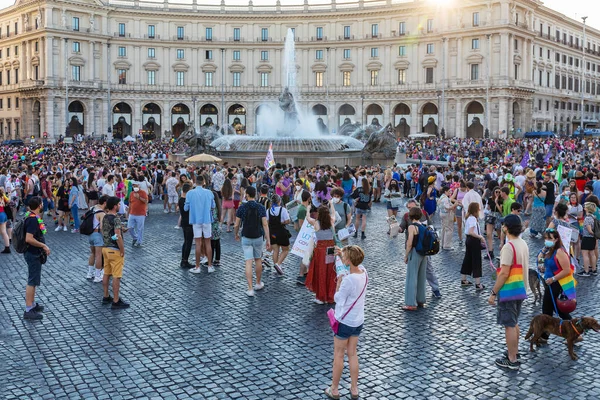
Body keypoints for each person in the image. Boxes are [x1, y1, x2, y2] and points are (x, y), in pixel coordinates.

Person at [325, 245, 368, 400]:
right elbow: (355, 262)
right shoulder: (364, 272)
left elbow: (338, 299)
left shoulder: (348, 280)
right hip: (358, 321)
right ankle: (354, 389)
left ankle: (334, 389)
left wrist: (338, 285)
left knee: (338, 355)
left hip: (344, 322)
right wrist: (342, 251)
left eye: (345, 257)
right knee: (352, 354)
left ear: (349, 260)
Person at [488, 214, 529, 370]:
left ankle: (512, 359)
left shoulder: (508, 247)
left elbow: (504, 273)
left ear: (506, 227)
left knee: (509, 325)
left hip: (510, 289)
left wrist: (493, 292)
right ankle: (514, 352)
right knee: (515, 321)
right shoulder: (523, 243)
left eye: (503, 225)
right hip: (520, 287)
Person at [399, 199, 442, 298]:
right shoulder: (406, 216)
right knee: (414, 272)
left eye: (412, 208)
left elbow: (431, 226)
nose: (410, 210)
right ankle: (417, 295)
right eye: (409, 208)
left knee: (428, 269)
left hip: (424, 247)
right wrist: (394, 229)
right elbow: (401, 228)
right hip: (413, 248)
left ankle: (435, 289)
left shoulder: (424, 214)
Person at [234, 186, 271, 296]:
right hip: (258, 236)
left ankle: (250, 288)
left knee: (248, 261)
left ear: (247, 195)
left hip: (246, 236)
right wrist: (268, 239)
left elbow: (236, 224)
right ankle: (258, 283)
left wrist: (235, 234)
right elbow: (265, 224)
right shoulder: (260, 207)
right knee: (258, 259)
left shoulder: (242, 207)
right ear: (256, 194)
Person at [22, 197, 51, 320]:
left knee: (34, 280)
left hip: (33, 253)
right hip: (32, 253)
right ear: (39, 205)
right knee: (32, 280)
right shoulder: (33, 220)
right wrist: (43, 245)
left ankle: (32, 304)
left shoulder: (31, 217)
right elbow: (29, 238)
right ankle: (28, 309)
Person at [305, 202, 338, 304]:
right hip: (331, 249)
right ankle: (329, 295)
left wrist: (308, 209)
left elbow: (307, 218)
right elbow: (333, 214)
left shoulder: (316, 223)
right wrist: (331, 204)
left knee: (321, 272)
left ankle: (321, 297)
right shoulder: (331, 221)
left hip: (320, 251)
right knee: (331, 272)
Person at [101, 196, 129, 309]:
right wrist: (122, 249)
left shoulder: (105, 217)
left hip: (105, 248)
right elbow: (117, 236)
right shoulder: (116, 218)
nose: (119, 206)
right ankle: (116, 301)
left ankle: (106, 296)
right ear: (114, 206)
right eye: (118, 204)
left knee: (106, 273)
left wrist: (121, 229)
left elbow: (106, 230)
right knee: (116, 276)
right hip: (114, 250)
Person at [185, 175, 216, 274]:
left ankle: (197, 267)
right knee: (208, 242)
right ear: (203, 182)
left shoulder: (190, 193)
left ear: (195, 182)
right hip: (207, 220)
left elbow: (186, 208)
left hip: (195, 220)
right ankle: (210, 265)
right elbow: (213, 206)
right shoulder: (209, 193)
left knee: (198, 243)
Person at [403, 207, 428, 311]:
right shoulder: (423, 225)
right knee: (421, 277)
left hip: (415, 253)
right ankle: (420, 300)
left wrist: (406, 255)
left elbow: (409, 243)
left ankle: (410, 303)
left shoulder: (412, 227)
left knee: (411, 277)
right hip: (424, 254)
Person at [461, 202, 485, 290]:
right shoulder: (473, 219)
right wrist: (480, 237)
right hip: (473, 240)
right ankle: (478, 284)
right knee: (476, 261)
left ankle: (463, 280)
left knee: (467, 259)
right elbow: (471, 231)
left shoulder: (468, 218)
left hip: (469, 240)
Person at [267, 194, 290, 276]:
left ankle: (276, 267)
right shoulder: (283, 210)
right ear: (279, 201)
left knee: (275, 250)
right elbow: (287, 221)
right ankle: (278, 264)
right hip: (281, 232)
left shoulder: (269, 210)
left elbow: (267, 222)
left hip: (272, 233)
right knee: (286, 249)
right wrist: (282, 222)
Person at [86, 195, 107, 283]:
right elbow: (102, 227)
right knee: (99, 255)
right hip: (97, 234)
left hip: (90, 234)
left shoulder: (92, 208)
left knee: (93, 253)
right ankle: (98, 276)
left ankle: (90, 273)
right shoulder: (101, 213)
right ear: (105, 203)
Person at [295, 190, 311, 285]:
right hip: (305, 235)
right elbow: (301, 224)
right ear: (309, 198)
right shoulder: (302, 209)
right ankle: (301, 274)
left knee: (307, 255)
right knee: (305, 256)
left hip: (307, 234)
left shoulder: (305, 208)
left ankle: (305, 272)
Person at [128, 180, 148, 248]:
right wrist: (128, 212)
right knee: (130, 228)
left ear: (139, 186)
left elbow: (146, 201)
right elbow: (130, 203)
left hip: (141, 214)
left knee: (140, 229)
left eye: (136, 185)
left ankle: (139, 242)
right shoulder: (131, 193)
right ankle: (135, 237)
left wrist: (139, 197)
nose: (135, 187)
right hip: (132, 213)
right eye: (133, 185)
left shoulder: (143, 193)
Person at [178, 183, 194, 268]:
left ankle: (183, 259)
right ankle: (185, 261)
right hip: (188, 223)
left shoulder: (181, 199)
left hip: (184, 222)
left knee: (186, 241)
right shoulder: (186, 201)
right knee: (188, 242)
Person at [580, 202, 597, 276]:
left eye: (585, 207)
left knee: (585, 255)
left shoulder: (587, 218)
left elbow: (589, 230)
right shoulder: (593, 217)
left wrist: (593, 234)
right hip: (592, 239)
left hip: (587, 238)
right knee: (592, 254)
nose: (584, 208)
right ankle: (594, 270)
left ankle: (586, 271)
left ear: (587, 208)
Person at [438, 186, 456, 251]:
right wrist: (455, 205)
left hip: (442, 214)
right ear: (445, 191)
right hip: (446, 214)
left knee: (443, 229)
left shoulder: (442, 197)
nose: (450, 192)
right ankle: (447, 245)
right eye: (449, 191)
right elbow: (448, 208)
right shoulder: (445, 199)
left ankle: (443, 244)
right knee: (449, 229)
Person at [0, 187, 10, 253]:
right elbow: (8, 201)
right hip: (3, 214)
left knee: (3, 232)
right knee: (3, 232)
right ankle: (7, 247)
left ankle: (7, 248)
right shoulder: (2, 195)